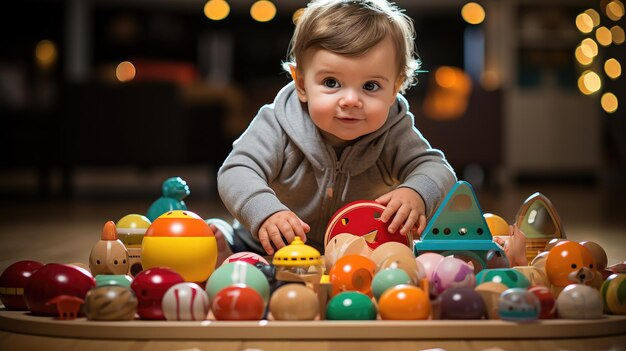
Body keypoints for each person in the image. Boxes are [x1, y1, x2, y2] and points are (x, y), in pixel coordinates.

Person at [209, 0, 457, 262]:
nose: (351, 100)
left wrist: (416, 192)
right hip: (270, 245)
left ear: (395, 88)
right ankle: (228, 249)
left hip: (358, 251)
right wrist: (266, 212)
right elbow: (237, 170)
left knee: (409, 259)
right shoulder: (277, 122)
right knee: (220, 234)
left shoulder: (394, 130)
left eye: (370, 86)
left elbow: (438, 169)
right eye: (331, 82)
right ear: (302, 84)